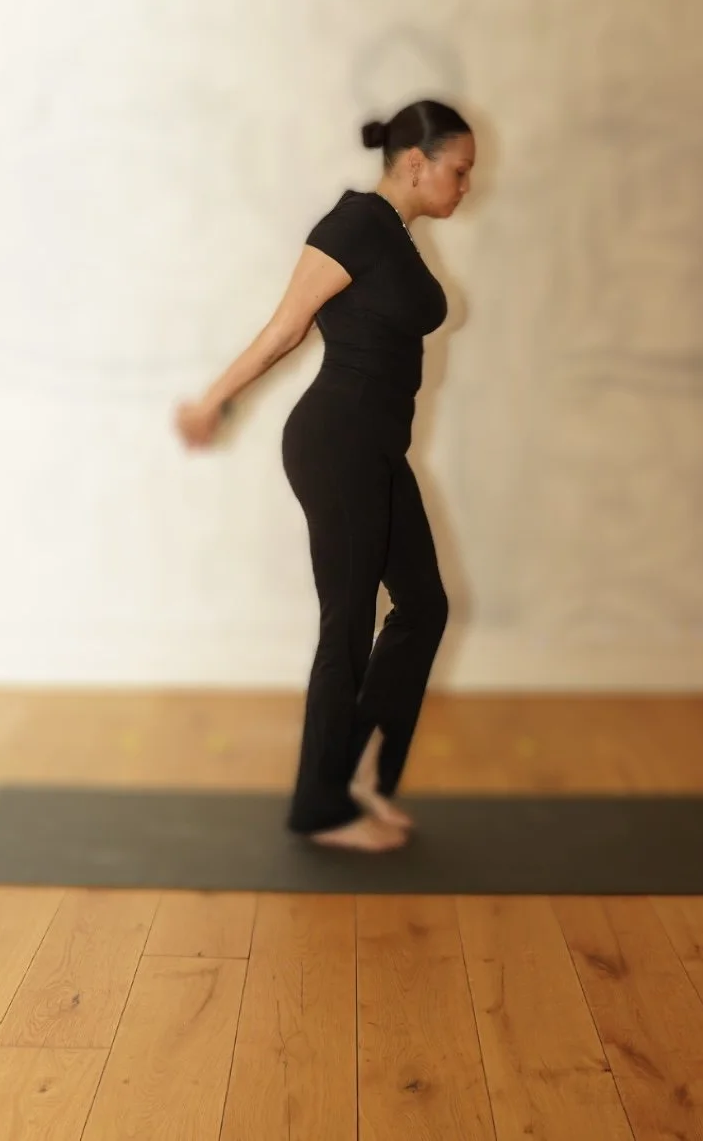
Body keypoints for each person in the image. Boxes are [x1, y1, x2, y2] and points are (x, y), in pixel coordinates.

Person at [175, 99, 476, 852]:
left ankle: (358, 774)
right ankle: (321, 809)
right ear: (417, 163)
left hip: (375, 449)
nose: (467, 185)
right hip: (337, 446)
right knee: (347, 623)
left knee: (424, 606)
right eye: (460, 170)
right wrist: (212, 402)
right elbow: (286, 328)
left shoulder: (395, 234)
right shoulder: (354, 224)